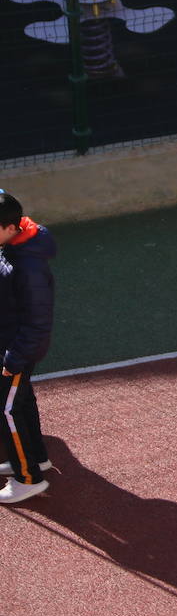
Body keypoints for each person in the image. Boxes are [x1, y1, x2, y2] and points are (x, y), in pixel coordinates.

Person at [0, 191, 57, 505]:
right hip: (12, 341)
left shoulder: (28, 266)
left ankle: (28, 478)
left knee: (7, 409)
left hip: (16, 348)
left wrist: (14, 357)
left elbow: (37, 320)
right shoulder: (14, 245)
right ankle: (34, 458)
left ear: (10, 228)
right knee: (19, 402)